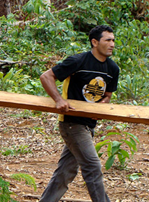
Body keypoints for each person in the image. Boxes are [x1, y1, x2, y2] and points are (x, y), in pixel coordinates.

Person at [39, 25, 119, 202]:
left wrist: (101, 108)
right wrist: (59, 100)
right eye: (108, 40)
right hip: (71, 123)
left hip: (88, 125)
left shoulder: (113, 69)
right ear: (95, 42)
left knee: (66, 172)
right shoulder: (78, 61)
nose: (112, 44)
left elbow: (107, 95)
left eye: (113, 40)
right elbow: (46, 77)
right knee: (92, 166)